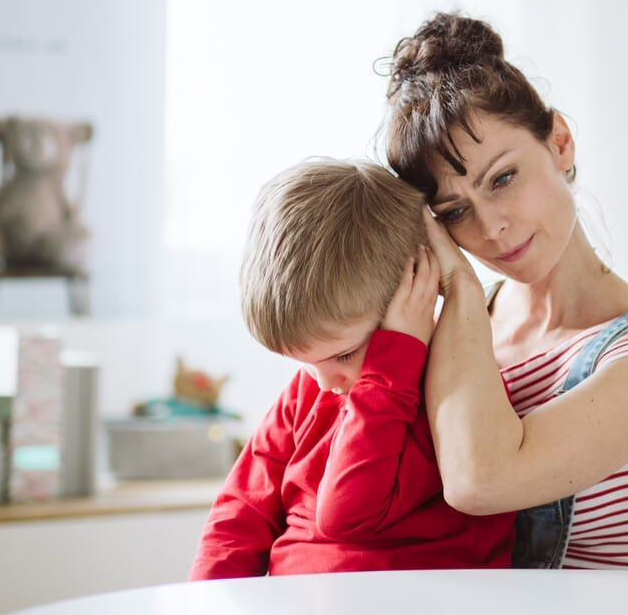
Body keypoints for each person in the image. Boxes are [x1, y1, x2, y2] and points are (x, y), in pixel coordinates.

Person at [383, 13, 628, 569]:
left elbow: (478, 481)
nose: (490, 228)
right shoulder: (462, 332)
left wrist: (458, 281)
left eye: (503, 179)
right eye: (455, 211)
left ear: (560, 143)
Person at [190, 158, 515, 579]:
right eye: (307, 364)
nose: (326, 383)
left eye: (343, 355)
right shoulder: (311, 387)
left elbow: (347, 513)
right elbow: (242, 512)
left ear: (412, 295)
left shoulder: (461, 386)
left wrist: (391, 367)